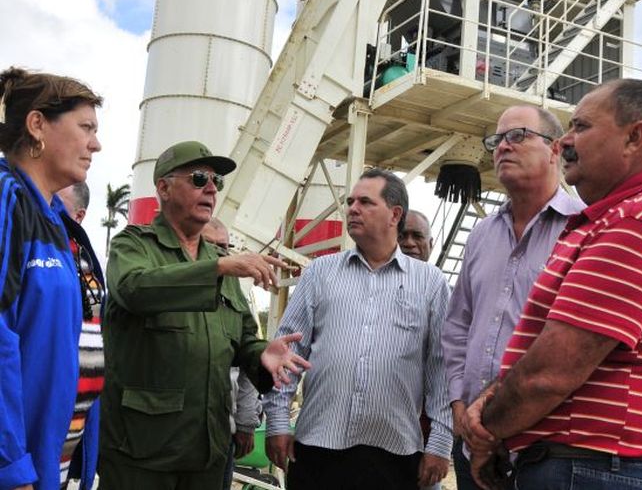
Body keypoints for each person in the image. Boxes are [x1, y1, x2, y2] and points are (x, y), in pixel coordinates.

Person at [466, 79, 642, 490]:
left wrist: (485, 432)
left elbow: (549, 374)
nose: (566, 140)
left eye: (581, 126)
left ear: (634, 137)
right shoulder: (611, 221)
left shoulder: (637, 224)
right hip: (588, 466)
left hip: (596, 469)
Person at [98, 140, 311, 490]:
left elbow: (243, 339)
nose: (211, 188)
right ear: (164, 188)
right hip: (142, 451)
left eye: (217, 182)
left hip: (207, 451)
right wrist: (219, 266)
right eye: (199, 178)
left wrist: (263, 354)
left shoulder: (219, 266)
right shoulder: (134, 246)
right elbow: (134, 288)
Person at [263, 168, 452, 490]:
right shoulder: (321, 273)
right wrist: (278, 421)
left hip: (395, 452)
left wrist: (440, 442)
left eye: (365, 202)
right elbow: (287, 352)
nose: (352, 209)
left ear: (395, 215)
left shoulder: (430, 283)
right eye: (350, 202)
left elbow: (442, 370)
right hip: (319, 447)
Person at [440, 105, 584, 490]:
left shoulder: (583, 230)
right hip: (470, 444)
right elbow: (457, 327)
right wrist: (458, 404)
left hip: (544, 450)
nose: (502, 146)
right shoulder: (482, 235)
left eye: (517, 135)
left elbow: (569, 347)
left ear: (555, 148)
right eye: (497, 139)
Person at [0, 66, 103, 490]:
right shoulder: (8, 201)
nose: (96, 143)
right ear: (37, 124)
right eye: (85, 128)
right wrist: (10, 464)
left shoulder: (58, 222)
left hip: (55, 459)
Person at [201, 217, 263, 490]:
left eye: (223, 247)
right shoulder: (170, 287)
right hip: (174, 432)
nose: (217, 253)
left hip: (222, 432)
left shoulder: (235, 295)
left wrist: (247, 422)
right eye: (209, 245)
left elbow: (248, 362)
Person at [56, 182, 106, 490]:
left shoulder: (86, 261)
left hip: (76, 429)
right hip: (39, 428)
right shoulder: (33, 249)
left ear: (79, 214)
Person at [399, 208, 446, 490]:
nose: (409, 243)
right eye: (402, 235)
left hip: (423, 442)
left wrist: (439, 444)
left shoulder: (439, 290)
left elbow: (444, 370)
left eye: (418, 236)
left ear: (431, 244)